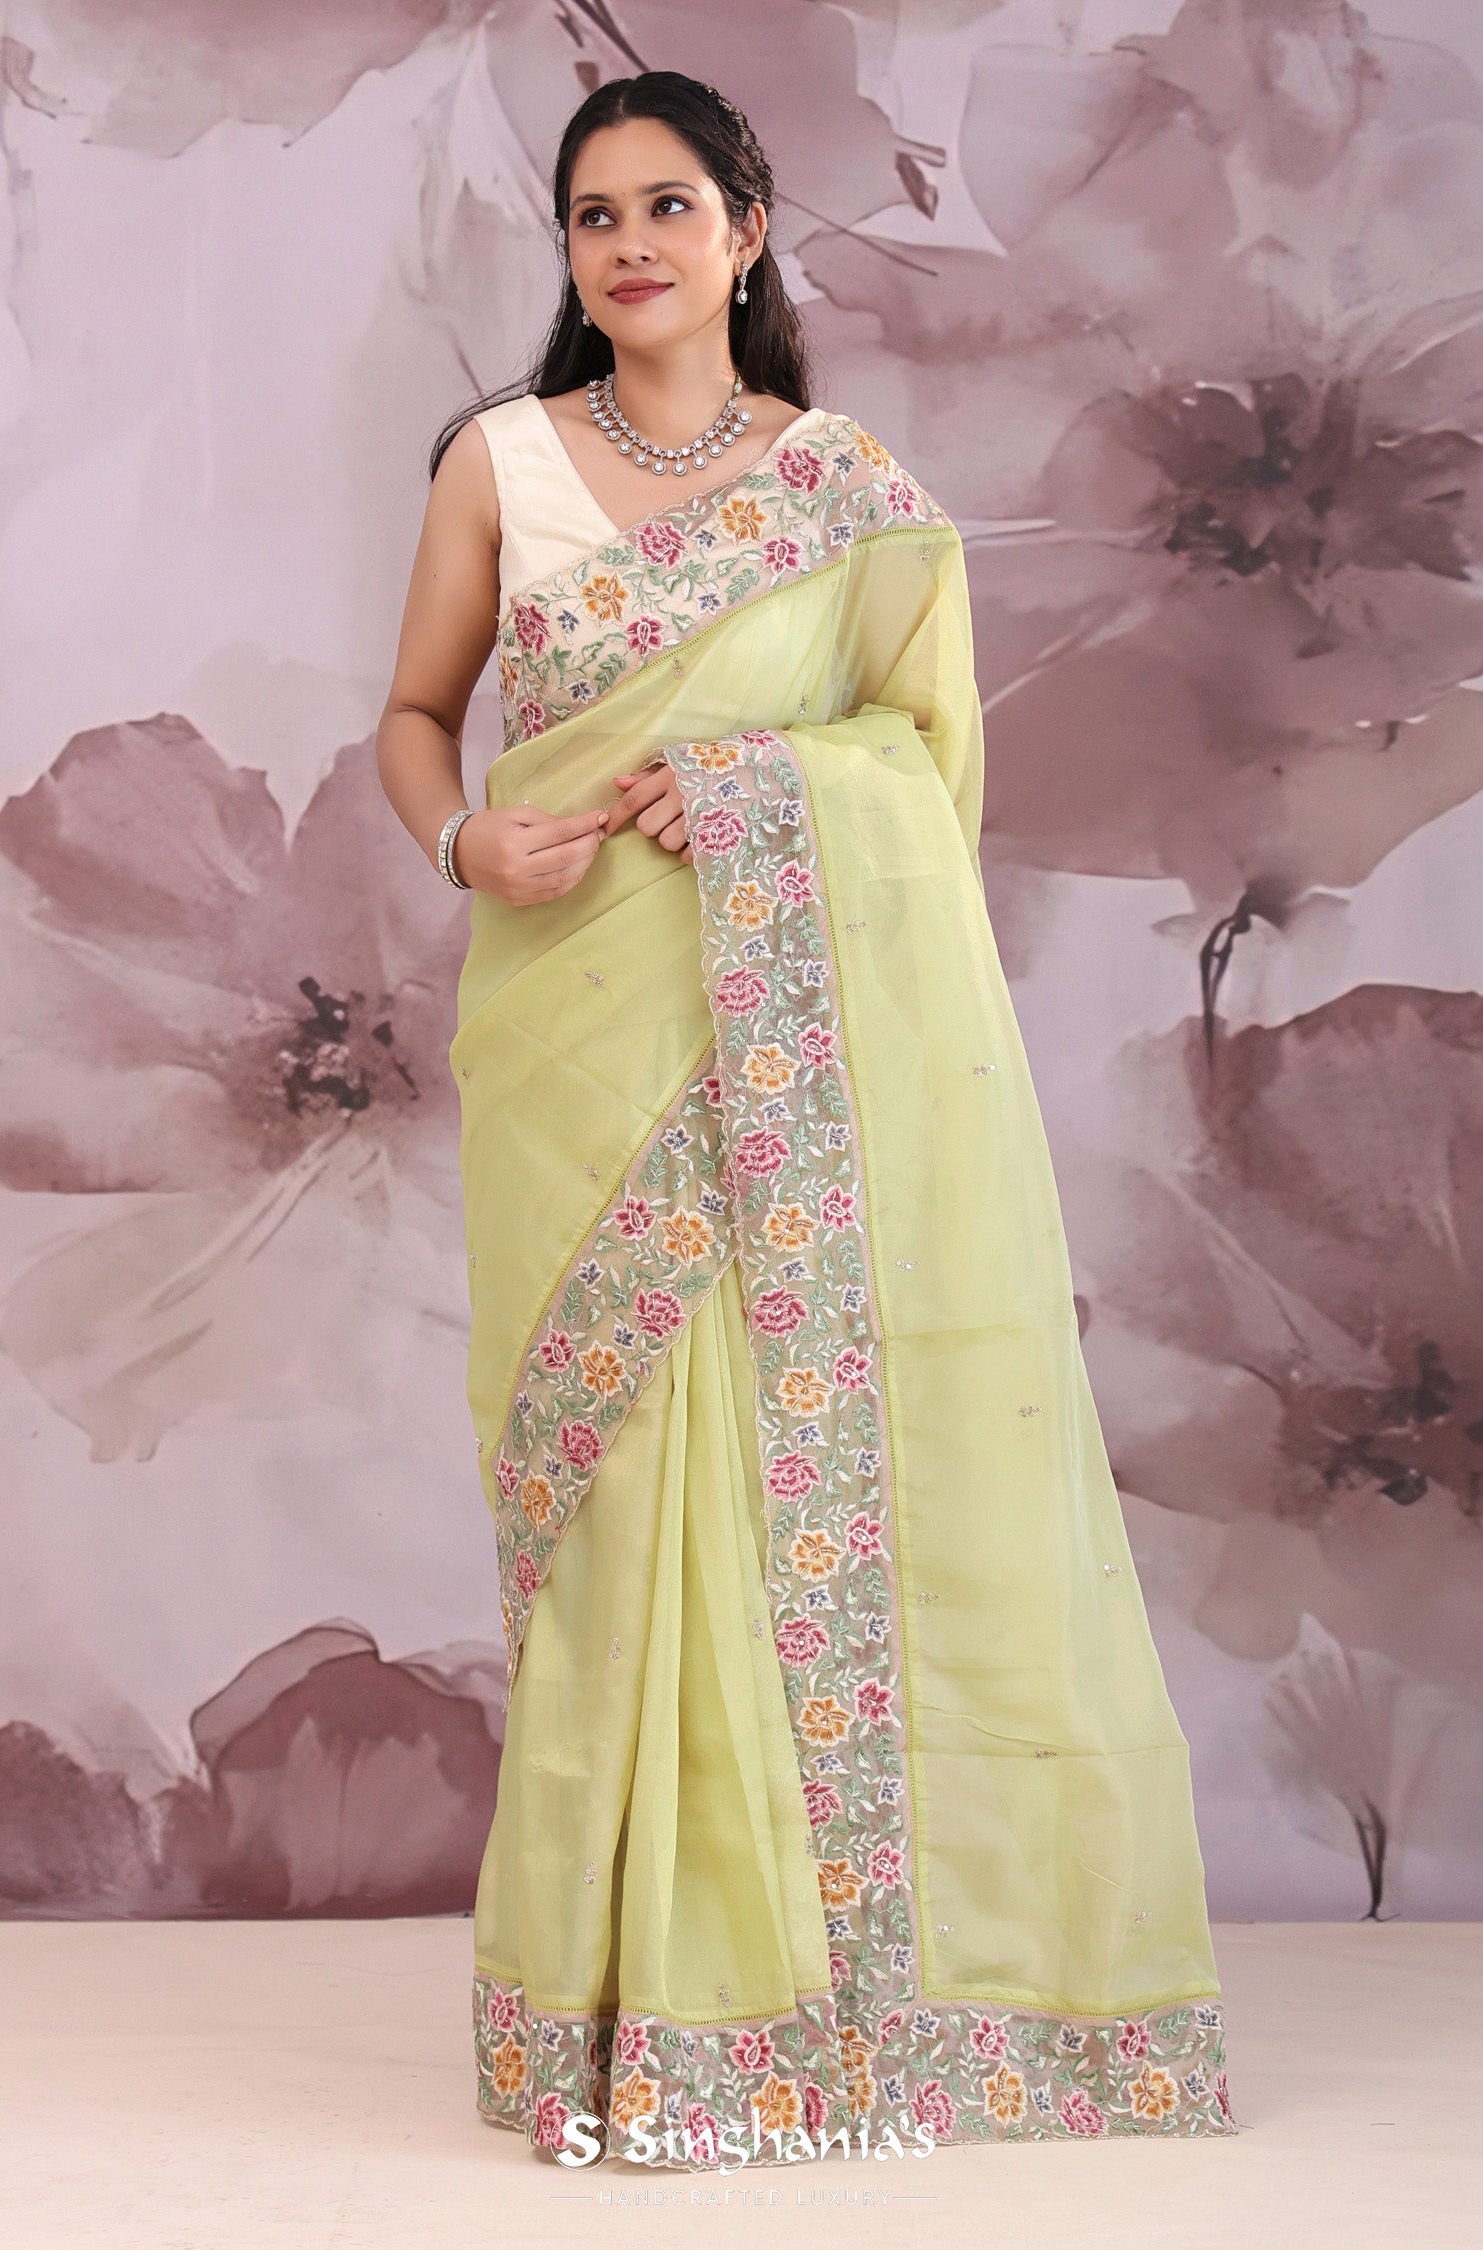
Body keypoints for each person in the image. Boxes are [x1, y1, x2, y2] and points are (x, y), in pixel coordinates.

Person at [375, 69, 1236, 2173]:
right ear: (568, 251)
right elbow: (412, 716)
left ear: (748, 229)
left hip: (791, 1052)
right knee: (622, 1500)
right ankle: (622, 2005)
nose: (632, 246)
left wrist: (764, 788)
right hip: (576, 1034)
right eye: (595, 216)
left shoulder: (846, 490)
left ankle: (817, 1999)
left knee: (788, 1485)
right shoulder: (500, 462)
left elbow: (923, 771)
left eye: (669, 205)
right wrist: (466, 838)